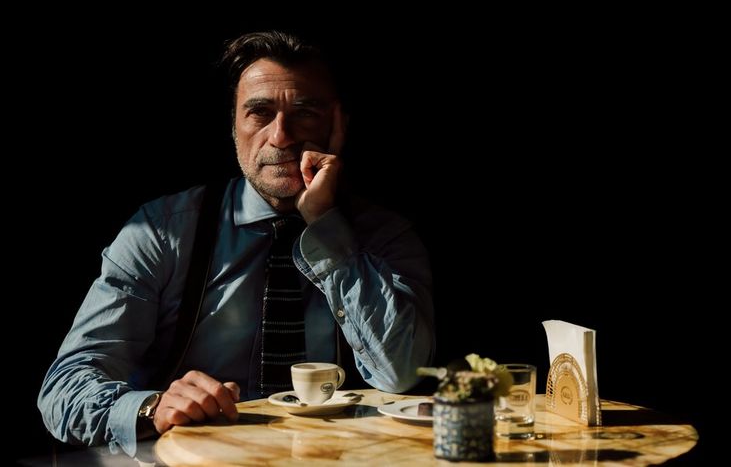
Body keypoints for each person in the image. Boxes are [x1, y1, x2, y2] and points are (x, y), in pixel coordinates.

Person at [38, 30, 435, 457]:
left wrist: (324, 225)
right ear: (234, 126)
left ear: (339, 125)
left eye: (305, 113)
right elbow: (64, 391)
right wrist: (152, 408)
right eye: (259, 113)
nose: (281, 137)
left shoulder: (384, 235)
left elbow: (400, 373)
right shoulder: (160, 232)